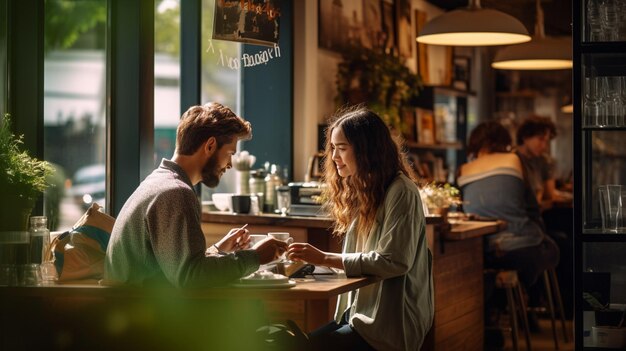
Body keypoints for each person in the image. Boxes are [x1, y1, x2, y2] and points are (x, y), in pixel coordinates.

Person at [286, 107, 434, 351]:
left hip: (390, 324)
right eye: (332, 148)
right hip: (357, 314)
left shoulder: (401, 191)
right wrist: (315, 265)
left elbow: (395, 261)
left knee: (300, 345)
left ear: (367, 150)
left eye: (341, 148)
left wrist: (324, 257)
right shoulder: (365, 191)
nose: (333, 156)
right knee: (295, 340)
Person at [104, 102, 287, 288]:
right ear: (210, 146)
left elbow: (180, 268)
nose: (230, 164)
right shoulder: (176, 193)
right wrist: (254, 257)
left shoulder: (157, 182)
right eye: (230, 153)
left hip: (132, 309)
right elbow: (190, 278)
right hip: (147, 315)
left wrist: (218, 249)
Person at [457, 121, 559, 346]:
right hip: (520, 250)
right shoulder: (514, 159)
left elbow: (463, 210)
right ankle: (520, 301)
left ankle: (499, 307)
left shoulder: (464, 169)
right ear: (504, 142)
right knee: (553, 247)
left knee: (503, 265)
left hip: (484, 252)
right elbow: (532, 207)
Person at [515, 115, 560, 210]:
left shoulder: (543, 161)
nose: (544, 146)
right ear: (525, 137)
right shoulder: (512, 159)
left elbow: (549, 195)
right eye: (540, 139)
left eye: (546, 141)